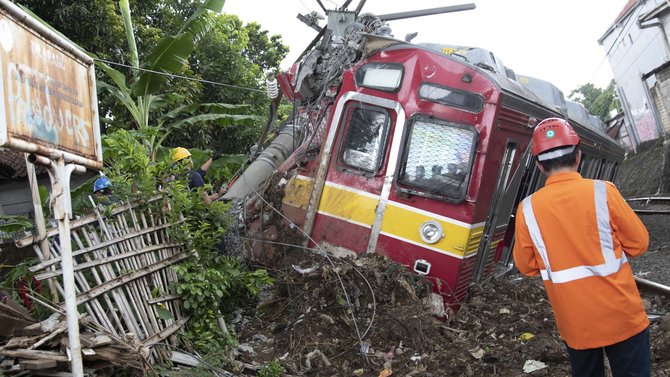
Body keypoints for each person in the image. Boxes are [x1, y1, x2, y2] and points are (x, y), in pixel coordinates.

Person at [512, 117, 650, 377]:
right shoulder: (603, 192)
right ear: (578, 156)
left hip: (576, 324)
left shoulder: (528, 209)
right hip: (623, 316)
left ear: (540, 166)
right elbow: (639, 244)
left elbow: (526, 266)